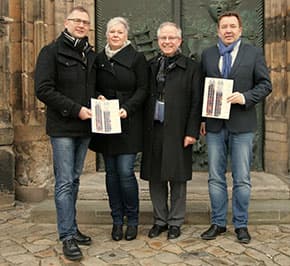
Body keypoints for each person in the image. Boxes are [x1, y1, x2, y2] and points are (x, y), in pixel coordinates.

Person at [200, 11, 272, 244]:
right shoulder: (208, 54)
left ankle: (241, 224)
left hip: (242, 124)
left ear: (240, 30)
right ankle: (218, 223)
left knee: (242, 178)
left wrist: (245, 97)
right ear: (218, 30)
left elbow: (265, 84)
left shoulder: (253, 53)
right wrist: (201, 120)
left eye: (232, 26)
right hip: (214, 124)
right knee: (215, 177)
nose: (228, 30)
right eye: (224, 26)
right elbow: (201, 89)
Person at [35, 6, 96, 261]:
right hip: (62, 128)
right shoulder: (51, 51)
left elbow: (92, 86)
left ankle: (71, 227)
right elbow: (44, 89)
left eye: (85, 22)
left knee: (74, 180)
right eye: (77, 21)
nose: (81, 25)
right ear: (66, 22)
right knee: (63, 182)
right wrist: (76, 110)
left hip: (84, 128)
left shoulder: (90, 53)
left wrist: (98, 100)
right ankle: (67, 237)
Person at [140, 22, 202, 240]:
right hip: (153, 128)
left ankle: (175, 221)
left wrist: (192, 132)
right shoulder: (149, 66)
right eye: (163, 38)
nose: (167, 42)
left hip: (179, 129)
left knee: (178, 177)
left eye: (171, 38)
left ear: (180, 41)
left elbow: (197, 102)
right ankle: (160, 220)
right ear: (158, 41)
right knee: (155, 178)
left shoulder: (192, 68)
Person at [88, 17, 148, 241]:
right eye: (112, 31)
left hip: (128, 123)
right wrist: (98, 97)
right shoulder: (98, 58)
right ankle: (116, 220)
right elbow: (90, 86)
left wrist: (127, 108)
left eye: (119, 32)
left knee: (125, 172)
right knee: (111, 173)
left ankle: (132, 220)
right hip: (105, 123)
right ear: (106, 34)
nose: (115, 35)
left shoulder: (137, 58)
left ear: (126, 35)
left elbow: (143, 89)